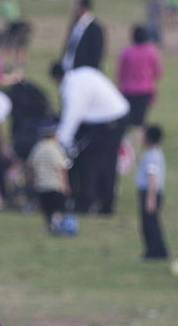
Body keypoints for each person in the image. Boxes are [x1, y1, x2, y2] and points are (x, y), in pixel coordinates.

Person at [51, 63, 130, 215]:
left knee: (90, 162)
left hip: (109, 120)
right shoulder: (81, 73)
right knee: (108, 161)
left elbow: (71, 119)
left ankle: (86, 203)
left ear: (56, 78)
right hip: (118, 115)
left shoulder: (73, 89)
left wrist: (59, 144)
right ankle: (106, 203)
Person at [117, 25, 163, 149]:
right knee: (140, 123)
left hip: (128, 91)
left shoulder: (126, 52)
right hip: (144, 91)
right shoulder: (151, 52)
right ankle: (137, 148)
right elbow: (158, 72)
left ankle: (125, 148)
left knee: (126, 122)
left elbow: (120, 75)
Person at [26, 122, 71, 233]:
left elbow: (31, 166)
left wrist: (31, 181)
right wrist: (66, 185)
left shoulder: (37, 148)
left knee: (47, 209)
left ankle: (50, 226)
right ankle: (58, 227)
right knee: (58, 208)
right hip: (55, 185)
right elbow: (62, 167)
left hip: (41, 186)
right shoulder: (56, 148)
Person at [136, 124, 168, 260]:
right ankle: (154, 250)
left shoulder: (151, 156)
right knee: (151, 223)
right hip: (152, 192)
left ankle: (155, 252)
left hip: (150, 192)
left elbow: (152, 178)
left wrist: (150, 199)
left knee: (149, 224)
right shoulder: (155, 152)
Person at [61, 0, 105, 70]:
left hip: (83, 70)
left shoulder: (95, 28)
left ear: (83, 8)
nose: (73, 9)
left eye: (76, 6)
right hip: (69, 68)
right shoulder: (75, 24)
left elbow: (96, 54)